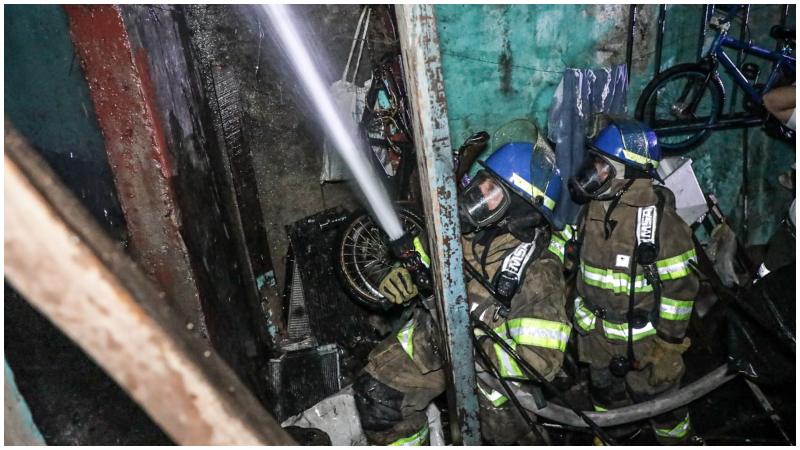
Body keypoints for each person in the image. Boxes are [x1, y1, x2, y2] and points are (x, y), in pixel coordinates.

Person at [353, 139, 571, 445]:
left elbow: (540, 359)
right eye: (482, 183)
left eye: (492, 191)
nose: (477, 194)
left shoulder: (538, 271)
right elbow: (420, 256)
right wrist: (396, 273)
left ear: (521, 210)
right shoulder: (460, 229)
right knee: (377, 397)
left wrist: (472, 351)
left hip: (494, 385)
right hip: (431, 341)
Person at [566, 118, 700, 445]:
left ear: (628, 173)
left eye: (601, 166)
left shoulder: (659, 222)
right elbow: (574, 254)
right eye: (593, 163)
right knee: (607, 408)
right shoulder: (592, 209)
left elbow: (681, 289)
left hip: (644, 344)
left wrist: (667, 346)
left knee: (663, 410)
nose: (591, 174)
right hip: (595, 338)